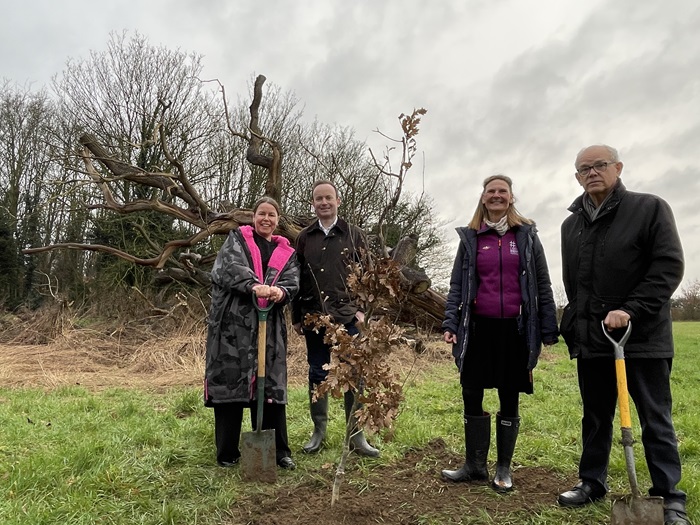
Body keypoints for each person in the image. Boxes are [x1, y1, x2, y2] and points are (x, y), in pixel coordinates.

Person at [557, 145, 690, 525]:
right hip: (593, 338)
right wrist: (576, 324)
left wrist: (631, 309)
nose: (591, 172)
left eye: (599, 165)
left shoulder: (649, 208)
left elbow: (668, 266)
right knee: (595, 417)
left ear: (618, 167)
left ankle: (668, 495)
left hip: (642, 336)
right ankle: (591, 482)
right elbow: (575, 283)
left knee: (655, 419)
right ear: (577, 176)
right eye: (583, 168)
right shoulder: (572, 225)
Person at [441, 174, 559, 492]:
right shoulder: (471, 240)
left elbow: (542, 284)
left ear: (511, 198)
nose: (496, 195)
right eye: (491, 191)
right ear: (483, 198)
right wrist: (450, 323)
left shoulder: (526, 237)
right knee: (471, 392)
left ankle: (503, 469)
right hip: (477, 328)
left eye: (502, 191)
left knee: (509, 394)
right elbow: (456, 287)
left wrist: (548, 327)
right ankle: (474, 465)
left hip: (515, 330)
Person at [204, 196, 300, 470]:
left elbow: (292, 281)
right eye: (261, 214)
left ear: (278, 221)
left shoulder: (288, 254)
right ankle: (227, 453)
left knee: (270, 389)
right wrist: (253, 285)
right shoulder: (235, 241)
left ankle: (279, 451)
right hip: (232, 330)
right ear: (253, 216)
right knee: (231, 386)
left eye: (272, 215)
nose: (266, 219)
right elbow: (228, 269)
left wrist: (281, 291)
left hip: (269, 330)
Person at [292, 180, 379, 457]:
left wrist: (362, 310)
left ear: (338, 201)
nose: (324, 202)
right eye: (318, 199)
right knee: (318, 372)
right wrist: (296, 315)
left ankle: (356, 435)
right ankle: (319, 431)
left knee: (354, 374)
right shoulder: (304, 238)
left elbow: (368, 276)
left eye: (328, 197)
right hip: (314, 317)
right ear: (313, 204)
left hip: (348, 317)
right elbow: (296, 278)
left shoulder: (355, 235)